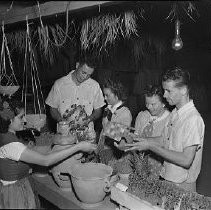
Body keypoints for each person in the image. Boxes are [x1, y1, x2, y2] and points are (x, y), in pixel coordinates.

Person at [0, 98, 97, 209]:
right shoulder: (11, 145)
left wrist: (27, 148)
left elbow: (16, 152)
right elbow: (46, 161)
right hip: (15, 193)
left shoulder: (6, 136)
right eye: (21, 117)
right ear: (9, 120)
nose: (25, 120)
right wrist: (78, 146)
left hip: (17, 187)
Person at [124, 67, 205, 192]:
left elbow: (186, 159)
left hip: (183, 183)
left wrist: (150, 147)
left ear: (183, 90)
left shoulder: (193, 119)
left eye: (168, 91)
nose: (165, 95)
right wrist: (141, 139)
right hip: (168, 176)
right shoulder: (175, 113)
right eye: (164, 90)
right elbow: (164, 139)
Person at [45, 55, 105, 140]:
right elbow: (53, 108)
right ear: (77, 65)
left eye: (89, 75)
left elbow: (98, 110)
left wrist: (89, 119)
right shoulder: (59, 84)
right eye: (83, 72)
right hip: (64, 135)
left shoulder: (94, 86)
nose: (85, 77)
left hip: (87, 134)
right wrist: (61, 121)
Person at [99, 78, 132, 160]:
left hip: (115, 154)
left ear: (117, 95)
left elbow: (122, 136)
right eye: (104, 95)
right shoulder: (107, 109)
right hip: (103, 149)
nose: (104, 98)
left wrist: (106, 125)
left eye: (107, 95)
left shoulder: (125, 113)